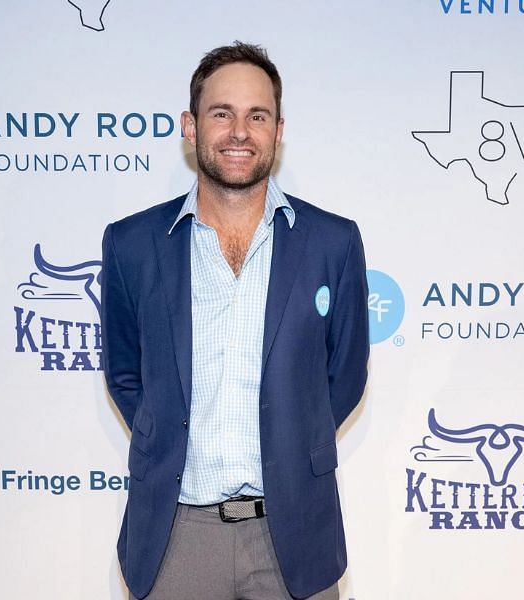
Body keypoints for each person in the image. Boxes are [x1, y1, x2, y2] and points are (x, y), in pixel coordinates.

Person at [100, 42, 368, 600]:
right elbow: (125, 375)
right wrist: (164, 431)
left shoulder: (333, 242)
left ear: (278, 130)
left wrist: (295, 437)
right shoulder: (132, 244)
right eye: (222, 113)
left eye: (257, 115)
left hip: (294, 537)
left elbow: (344, 378)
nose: (240, 131)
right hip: (175, 538)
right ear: (191, 127)